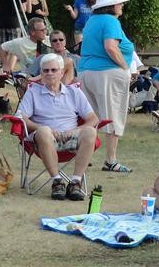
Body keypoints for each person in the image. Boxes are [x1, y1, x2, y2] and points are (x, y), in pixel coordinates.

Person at [17, 54, 100, 201]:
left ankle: (75, 182)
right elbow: (21, 117)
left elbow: (93, 119)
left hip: (71, 136)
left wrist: (75, 131)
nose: (49, 73)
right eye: (46, 70)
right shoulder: (33, 92)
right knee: (43, 131)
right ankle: (57, 181)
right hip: (44, 140)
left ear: (62, 72)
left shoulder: (74, 92)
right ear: (41, 73)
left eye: (54, 70)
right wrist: (43, 127)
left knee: (90, 132)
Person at [78, 0, 135, 173]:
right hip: (107, 73)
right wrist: (125, 67)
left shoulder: (92, 21)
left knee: (93, 116)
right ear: (112, 5)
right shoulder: (111, 21)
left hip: (87, 71)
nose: (122, 6)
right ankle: (111, 160)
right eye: (120, 3)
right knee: (112, 116)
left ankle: (84, 154)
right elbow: (111, 47)